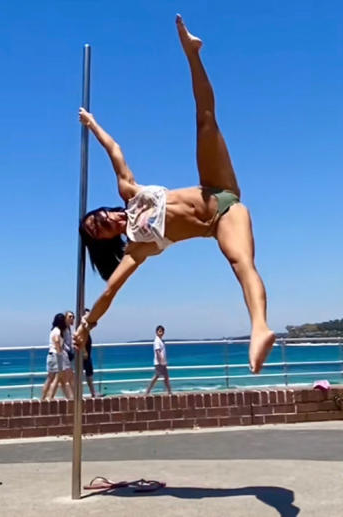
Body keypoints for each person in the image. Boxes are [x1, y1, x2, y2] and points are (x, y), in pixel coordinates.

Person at [73, 15, 275, 374]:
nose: (104, 222)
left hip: (217, 186)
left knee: (206, 120)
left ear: (107, 209)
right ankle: (259, 327)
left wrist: (92, 124)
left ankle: (191, 52)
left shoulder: (129, 192)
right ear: (105, 239)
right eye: (99, 229)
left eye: (100, 216)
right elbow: (108, 295)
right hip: (221, 221)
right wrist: (87, 326)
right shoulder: (136, 248)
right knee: (240, 262)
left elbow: (114, 150)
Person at [41, 313, 75, 400]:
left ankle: (43, 398)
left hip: (51, 355)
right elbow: (56, 340)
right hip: (56, 356)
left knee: (50, 378)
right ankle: (50, 398)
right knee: (57, 378)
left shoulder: (53, 330)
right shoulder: (57, 331)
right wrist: (60, 352)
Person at [145, 325, 172, 395]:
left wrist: (164, 361)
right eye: (160, 331)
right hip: (159, 362)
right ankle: (147, 391)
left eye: (162, 331)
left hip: (162, 362)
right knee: (157, 377)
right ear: (156, 332)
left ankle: (169, 392)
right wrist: (160, 361)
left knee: (165, 377)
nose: (161, 333)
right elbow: (157, 352)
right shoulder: (157, 341)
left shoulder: (161, 341)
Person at [80, 309, 98, 397]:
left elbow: (95, 323)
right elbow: (81, 340)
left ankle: (93, 393)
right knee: (85, 374)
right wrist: (84, 351)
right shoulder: (82, 327)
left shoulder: (86, 327)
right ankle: (91, 393)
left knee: (89, 374)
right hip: (84, 354)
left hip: (87, 354)